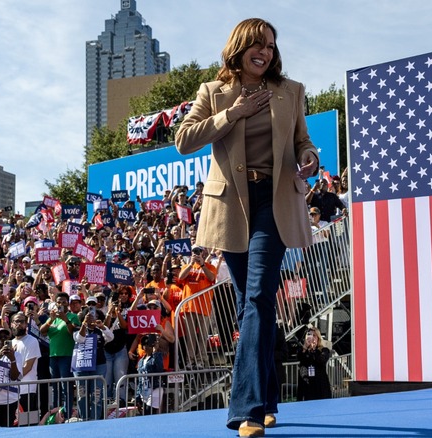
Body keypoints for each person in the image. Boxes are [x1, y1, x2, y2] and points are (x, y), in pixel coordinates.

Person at [176, 17, 318, 437]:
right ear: (239, 48)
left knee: (257, 297)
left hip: (275, 202)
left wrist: (309, 157)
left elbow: (302, 141)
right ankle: (269, 397)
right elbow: (184, 140)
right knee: (250, 304)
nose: (265, 52)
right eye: (258, 44)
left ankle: (247, 409)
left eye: (271, 46)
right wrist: (232, 113)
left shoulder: (291, 91)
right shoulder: (212, 92)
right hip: (230, 207)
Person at [39, 292, 80, 418]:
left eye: (63, 302)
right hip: (53, 356)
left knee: (65, 386)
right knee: (55, 386)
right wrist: (51, 319)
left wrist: (65, 319)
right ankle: (56, 415)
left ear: (68, 303)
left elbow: (73, 332)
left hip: (66, 355)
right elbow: (42, 331)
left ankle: (66, 414)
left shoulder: (73, 316)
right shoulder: (53, 317)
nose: (61, 304)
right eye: (58, 302)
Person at [11, 312, 42, 426]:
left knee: (29, 423)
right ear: (11, 324)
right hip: (13, 392)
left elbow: (28, 366)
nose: (19, 324)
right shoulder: (11, 343)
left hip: (27, 389)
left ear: (26, 324)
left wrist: (14, 378)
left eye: (22, 321)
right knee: (15, 424)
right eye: (16, 321)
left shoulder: (32, 341)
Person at [296, 327, 332, 401]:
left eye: (314, 335)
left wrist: (314, 350)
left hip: (320, 386)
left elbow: (321, 360)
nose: (311, 337)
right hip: (306, 385)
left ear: (318, 338)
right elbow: (300, 357)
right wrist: (305, 348)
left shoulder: (324, 350)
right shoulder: (302, 351)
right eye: (309, 335)